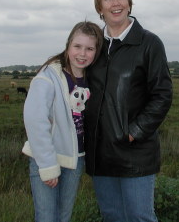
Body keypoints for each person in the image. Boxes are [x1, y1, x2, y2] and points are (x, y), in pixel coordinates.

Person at [84, 0, 173, 222]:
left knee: (139, 216)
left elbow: (162, 94)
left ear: (129, 3)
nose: (116, 3)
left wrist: (133, 131)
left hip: (135, 150)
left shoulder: (149, 43)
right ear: (99, 7)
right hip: (100, 152)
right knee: (112, 216)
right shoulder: (93, 45)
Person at [22, 21, 103, 222]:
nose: (82, 54)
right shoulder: (48, 77)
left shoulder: (92, 78)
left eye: (89, 48)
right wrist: (48, 166)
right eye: (77, 46)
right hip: (48, 157)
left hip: (75, 159)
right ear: (68, 46)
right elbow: (36, 122)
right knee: (47, 217)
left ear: (96, 51)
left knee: (63, 217)